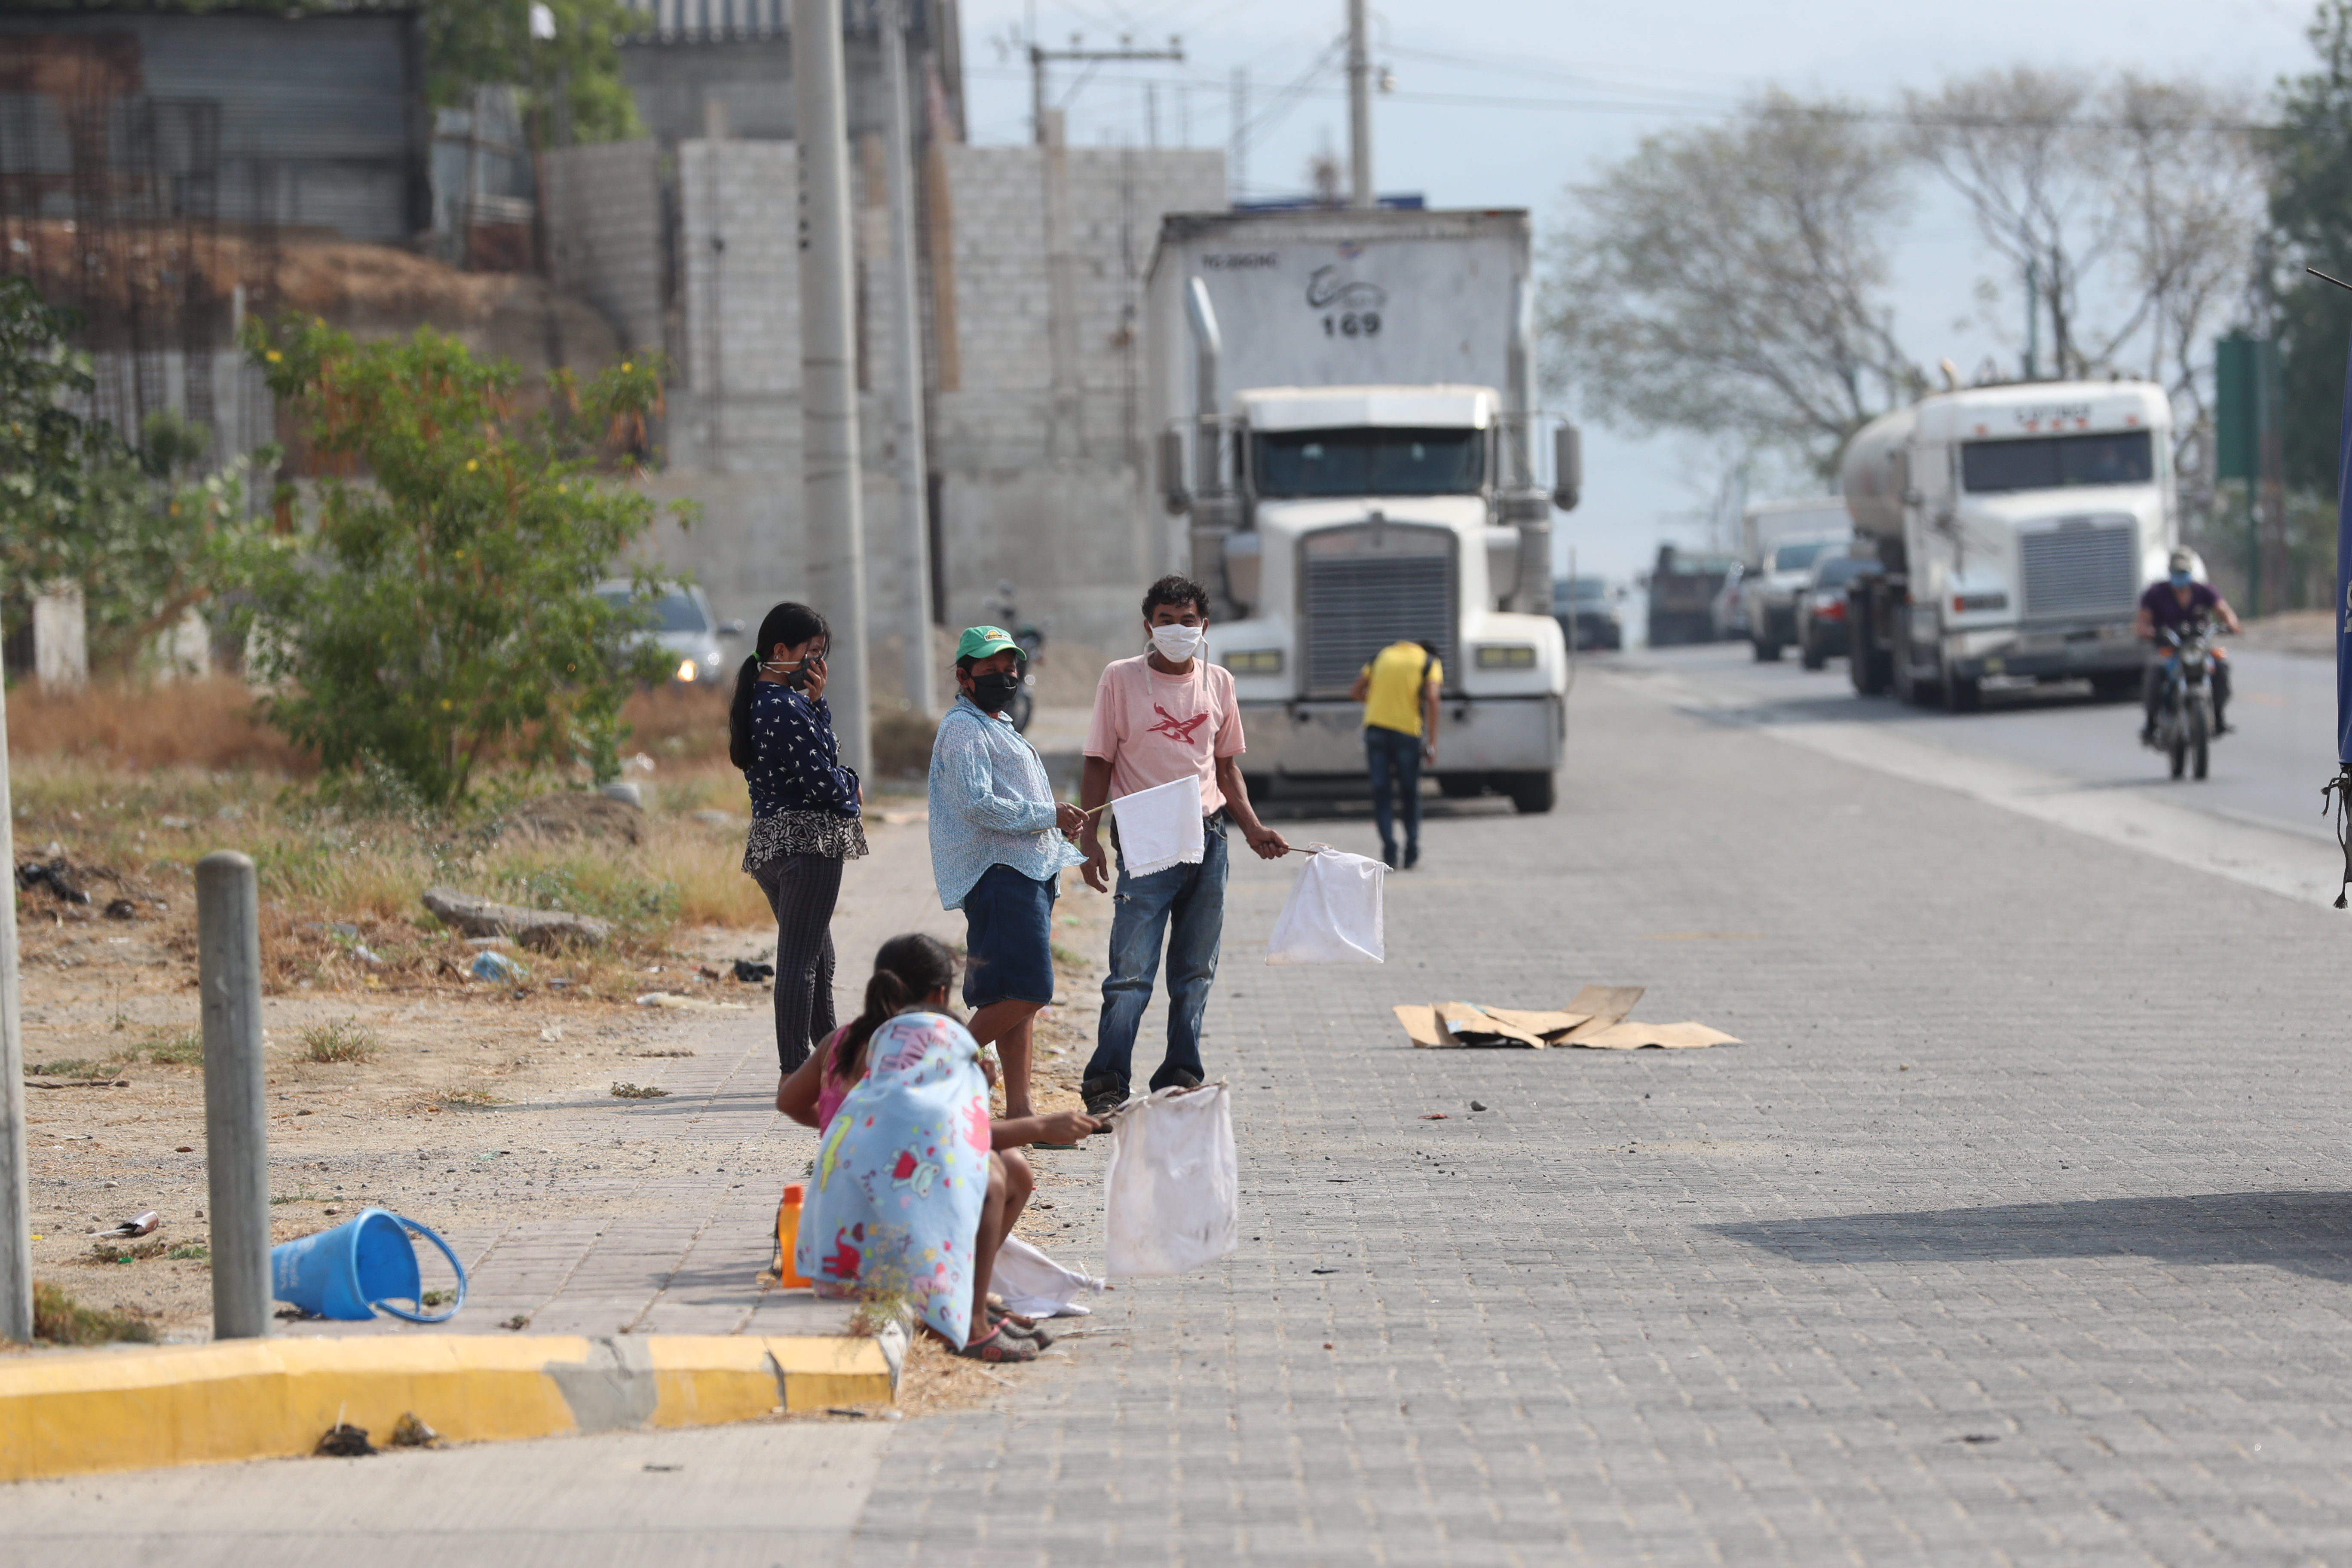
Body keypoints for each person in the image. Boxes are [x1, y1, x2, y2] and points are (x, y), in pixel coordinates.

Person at [781, 932, 1100, 1362]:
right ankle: (968, 1324)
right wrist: (1042, 1125)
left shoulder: (872, 1042)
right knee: (994, 1174)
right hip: (877, 1257)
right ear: (940, 994)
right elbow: (959, 1139)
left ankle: (968, 1299)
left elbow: (937, 1132)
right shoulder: (932, 1042)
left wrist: (844, 1133)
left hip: (841, 1244)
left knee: (1006, 1168)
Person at [1076, 575, 1288, 1117]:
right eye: (1165, 619)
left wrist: (1254, 826)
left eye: (1187, 620)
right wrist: (1088, 836)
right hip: (1145, 835)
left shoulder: (1218, 682)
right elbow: (1098, 761)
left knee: (1195, 969)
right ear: (1147, 625)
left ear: (1204, 626)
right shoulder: (1119, 680)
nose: (1176, 629)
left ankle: (1180, 1075)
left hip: (1209, 835)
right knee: (1131, 970)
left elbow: (1226, 767)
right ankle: (1106, 1083)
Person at [929, 626, 1087, 1121]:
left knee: (1016, 999)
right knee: (1029, 990)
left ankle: (1020, 1111)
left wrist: (1057, 824)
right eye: (991, 670)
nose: (1005, 678)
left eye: (1010, 669)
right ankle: (936, 1064)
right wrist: (1048, 815)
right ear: (963, 675)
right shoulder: (963, 728)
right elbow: (978, 804)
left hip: (1026, 874)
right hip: (1001, 876)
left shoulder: (998, 725)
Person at [730, 601, 864, 1072]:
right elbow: (825, 783)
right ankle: (796, 1070)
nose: (816, 665)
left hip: (770, 844)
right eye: (811, 653)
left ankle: (831, 1060)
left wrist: (817, 703)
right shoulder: (783, 707)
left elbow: (814, 758)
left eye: (823, 655)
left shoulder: (763, 703)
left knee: (817, 958)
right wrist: (853, 784)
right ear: (780, 650)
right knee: (800, 965)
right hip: (808, 846)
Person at [1349, 638, 1442, 870]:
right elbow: (1433, 698)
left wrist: (1379, 703)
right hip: (1407, 732)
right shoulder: (1429, 662)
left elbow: (1356, 691)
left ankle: (1389, 850)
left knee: (1382, 793)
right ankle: (1411, 849)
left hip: (1376, 730)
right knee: (1410, 792)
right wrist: (1432, 741)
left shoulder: (1382, 656)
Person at [2137, 548, 2241, 743]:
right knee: (2155, 669)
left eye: (2185, 572)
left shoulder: (2204, 591)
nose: (2181, 576)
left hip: (2197, 648)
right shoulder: (2156, 593)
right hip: (2169, 649)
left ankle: (2218, 716)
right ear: (2170, 572)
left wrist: (2232, 625)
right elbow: (2142, 622)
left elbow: (2223, 610)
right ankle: (2151, 723)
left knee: (2221, 666)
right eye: (2178, 572)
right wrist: (2149, 632)